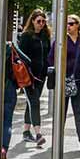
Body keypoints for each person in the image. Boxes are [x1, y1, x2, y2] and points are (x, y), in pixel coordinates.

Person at [49, 14, 80, 152]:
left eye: (71, 23)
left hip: (78, 82)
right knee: (61, 111)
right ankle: (57, 139)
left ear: (78, 25)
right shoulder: (61, 41)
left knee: (78, 111)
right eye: (66, 24)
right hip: (63, 82)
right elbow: (51, 59)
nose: (68, 26)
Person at [17, 9, 51, 148]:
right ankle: (38, 133)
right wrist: (28, 71)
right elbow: (21, 56)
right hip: (29, 76)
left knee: (31, 103)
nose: (41, 24)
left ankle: (26, 131)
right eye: (38, 21)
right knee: (34, 102)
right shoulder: (26, 36)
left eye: (43, 21)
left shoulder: (45, 36)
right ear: (32, 21)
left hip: (41, 75)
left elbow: (48, 54)